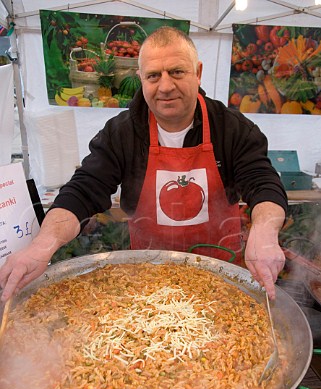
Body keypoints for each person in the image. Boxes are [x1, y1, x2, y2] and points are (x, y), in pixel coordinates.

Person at [0, 26, 287, 302]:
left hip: (222, 276)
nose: (165, 86)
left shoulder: (232, 128)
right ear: (141, 79)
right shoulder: (122, 133)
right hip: (148, 277)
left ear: (197, 73)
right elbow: (83, 191)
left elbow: (263, 182)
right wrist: (41, 246)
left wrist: (264, 230)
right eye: (153, 76)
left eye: (176, 72)